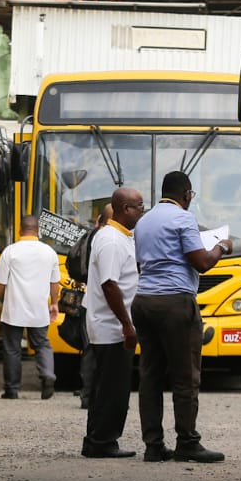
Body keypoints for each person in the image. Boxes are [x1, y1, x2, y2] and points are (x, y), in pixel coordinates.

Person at [132, 170, 232, 463]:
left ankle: (153, 445)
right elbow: (201, 263)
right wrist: (220, 247)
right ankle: (187, 441)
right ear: (186, 195)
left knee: (150, 375)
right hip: (175, 302)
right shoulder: (183, 218)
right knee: (185, 375)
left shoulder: (144, 220)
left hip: (144, 301)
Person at [80, 188, 145, 459]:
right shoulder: (111, 241)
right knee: (112, 390)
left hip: (114, 324)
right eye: (139, 206)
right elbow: (109, 284)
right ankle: (102, 441)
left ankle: (99, 439)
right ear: (125, 209)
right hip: (112, 327)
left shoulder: (120, 237)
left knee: (109, 387)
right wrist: (127, 324)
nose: (143, 211)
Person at [0, 214, 61, 400]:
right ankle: (48, 376)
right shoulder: (49, 252)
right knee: (42, 345)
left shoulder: (11, 251)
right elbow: (55, 282)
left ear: (20, 230)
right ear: (38, 231)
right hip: (38, 310)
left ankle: (11, 389)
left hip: (14, 310)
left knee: (12, 348)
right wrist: (54, 303)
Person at [77, 202, 115, 409]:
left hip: (89, 302)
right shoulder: (109, 239)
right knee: (107, 354)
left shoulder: (93, 236)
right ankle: (99, 396)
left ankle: (88, 395)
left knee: (90, 351)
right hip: (103, 303)